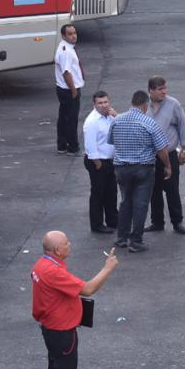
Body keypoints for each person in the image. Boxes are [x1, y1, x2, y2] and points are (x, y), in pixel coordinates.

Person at [30, 231, 118, 369]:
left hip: (51, 329)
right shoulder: (53, 271)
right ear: (57, 250)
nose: (70, 245)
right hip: (62, 333)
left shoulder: (42, 265)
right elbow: (87, 289)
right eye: (66, 243)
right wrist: (108, 268)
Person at [109, 90, 172, 253]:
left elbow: (112, 141)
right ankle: (136, 240)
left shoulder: (117, 120)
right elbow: (162, 149)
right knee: (140, 204)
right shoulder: (149, 123)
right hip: (143, 168)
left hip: (121, 168)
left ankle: (121, 237)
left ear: (132, 102)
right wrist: (167, 165)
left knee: (125, 201)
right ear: (145, 105)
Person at [145, 76, 185, 235]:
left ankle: (177, 221)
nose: (164, 92)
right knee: (154, 190)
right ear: (150, 90)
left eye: (165, 88)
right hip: (150, 156)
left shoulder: (173, 104)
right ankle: (157, 222)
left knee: (172, 189)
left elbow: (182, 126)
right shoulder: (144, 105)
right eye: (160, 89)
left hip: (169, 154)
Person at [82, 91, 118, 233]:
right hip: (98, 161)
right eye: (100, 103)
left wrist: (117, 117)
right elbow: (90, 144)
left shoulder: (110, 117)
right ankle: (97, 225)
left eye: (105, 102)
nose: (103, 105)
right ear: (94, 104)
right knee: (98, 193)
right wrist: (97, 163)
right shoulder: (92, 121)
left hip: (109, 160)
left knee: (111, 192)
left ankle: (113, 220)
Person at [54, 24, 85, 156]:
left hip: (62, 88)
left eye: (74, 33)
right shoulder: (66, 51)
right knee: (71, 119)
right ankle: (73, 147)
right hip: (68, 89)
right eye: (70, 34)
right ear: (63, 36)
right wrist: (74, 90)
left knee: (63, 118)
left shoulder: (64, 47)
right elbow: (66, 73)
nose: (73, 36)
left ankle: (62, 145)